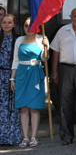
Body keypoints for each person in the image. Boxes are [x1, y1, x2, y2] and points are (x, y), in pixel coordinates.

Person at [50, 7, 76, 145]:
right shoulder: (62, 31)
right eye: (75, 16)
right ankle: (66, 136)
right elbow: (55, 52)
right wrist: (54, 72)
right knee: (65, 104)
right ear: (70, 16)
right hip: (65, 69)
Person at [10, 17, 50, 148]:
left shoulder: (41, 39)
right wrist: (12, 78)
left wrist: (46, 47)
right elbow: (15, 60)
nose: (28, 28)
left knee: (34, 108)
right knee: (23, 108)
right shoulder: (19, 40)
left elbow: (45, 59)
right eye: (26, 25)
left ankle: (34, 136)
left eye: (31, 25)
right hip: (21, 74)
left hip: (35, 74)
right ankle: (25, 137)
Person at [0, 14, 21, 146]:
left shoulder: (18, 40)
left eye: (9, 22)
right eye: (4, 22)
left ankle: (12, 136)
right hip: (0, 73)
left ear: (14, 24)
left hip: (14, 74)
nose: (7, 25)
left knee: (13, 106)